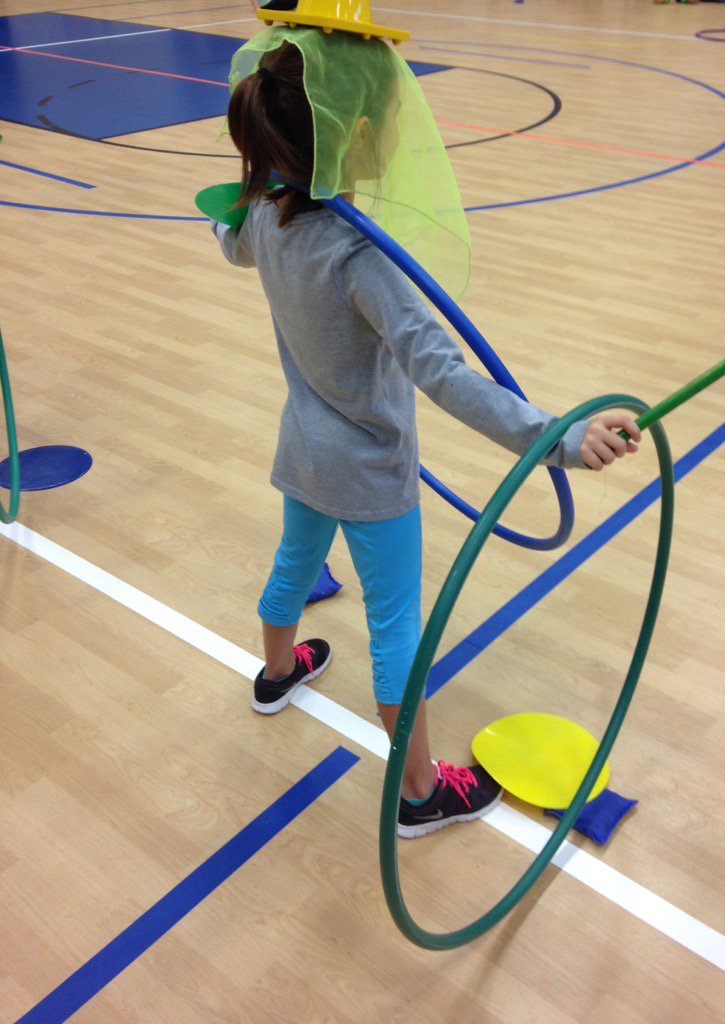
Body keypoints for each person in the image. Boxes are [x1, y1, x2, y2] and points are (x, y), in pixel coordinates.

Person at [212, 27, 641, 839]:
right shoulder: (361, 259)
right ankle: (418, 794)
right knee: (394, 628)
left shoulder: (266, 219)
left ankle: (276, 672)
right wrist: (556, 437)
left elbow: (229, 243)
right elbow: (446, 376)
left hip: (302, 449)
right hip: (371, 474)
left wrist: (241, 193)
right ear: (354, 135)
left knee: (295, 563)